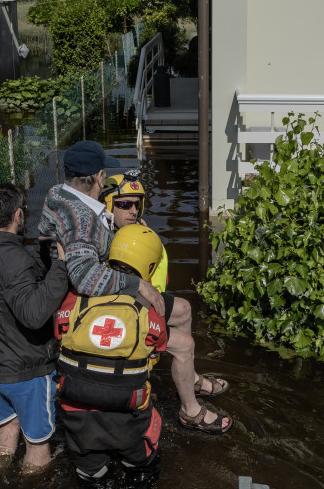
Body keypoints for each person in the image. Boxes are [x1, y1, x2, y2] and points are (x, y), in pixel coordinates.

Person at [98, 169, 232, 434]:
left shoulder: (132, 232)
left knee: (183, 309)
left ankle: (190, 379)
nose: (133, 210)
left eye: (137, 204)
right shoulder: (101, 237)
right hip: (115, 312)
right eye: (124, 204)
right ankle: (190, 412)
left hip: (135, 300)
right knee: (184, 344)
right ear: (108, 205)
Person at [54, 225, 170, 489]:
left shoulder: (74, 297)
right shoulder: (153, 306)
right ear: (150, 265)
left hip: (78, 419)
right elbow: (156, 352)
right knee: (141, 473)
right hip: (128, 420)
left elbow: (60, 336)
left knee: (93, 484)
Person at [0, 182, 68, 471]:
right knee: (37, 444)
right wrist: (61, 265)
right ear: (18, 215)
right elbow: (34, 315)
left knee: (5, 429)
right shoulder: (13, 257)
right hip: (25, 373)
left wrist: (43, 259)